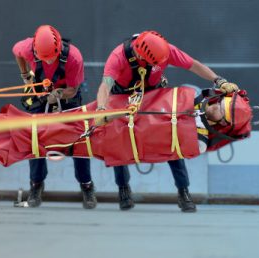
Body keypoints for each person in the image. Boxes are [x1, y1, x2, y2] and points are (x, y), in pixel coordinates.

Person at [95, 30, 239, 212]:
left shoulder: (165, 51)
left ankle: (183, 192)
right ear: (140, 54)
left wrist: (218, 80)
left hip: (154, 94)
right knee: (119, 141)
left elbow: (193, 65)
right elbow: (105, 85)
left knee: (172, 136)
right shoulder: (119, 56)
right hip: (123, 95)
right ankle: (123, 189)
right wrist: (101, 109)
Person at [12, 25, 97, 209]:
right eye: (44, 58)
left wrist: (58, 95)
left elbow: (73, 90)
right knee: (35, 138)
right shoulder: (28, 48)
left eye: (51, 57)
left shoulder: (74, 58)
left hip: (67, 96)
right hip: (41, 95)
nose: (49, 61)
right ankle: (36, 184)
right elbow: (16, 50)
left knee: (80, 140)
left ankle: (86, 185)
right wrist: (25, 74)